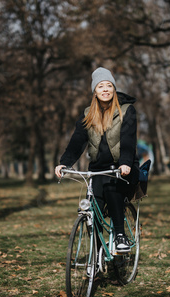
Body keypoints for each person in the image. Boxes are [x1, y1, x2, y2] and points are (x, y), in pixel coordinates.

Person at [55, 67, 139, 252]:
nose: (105, 89)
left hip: (121, 169)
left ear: (114, 89)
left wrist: (125, 162)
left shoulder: (126, 111)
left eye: (109, 85)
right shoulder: (88, 114)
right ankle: (97, 253)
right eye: (101, 86)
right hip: (97, 169)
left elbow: (128, 140)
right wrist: (65, 162)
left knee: (111, 187)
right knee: (93, 207)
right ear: (95, 91)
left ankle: (119, 235)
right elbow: (77, 141)